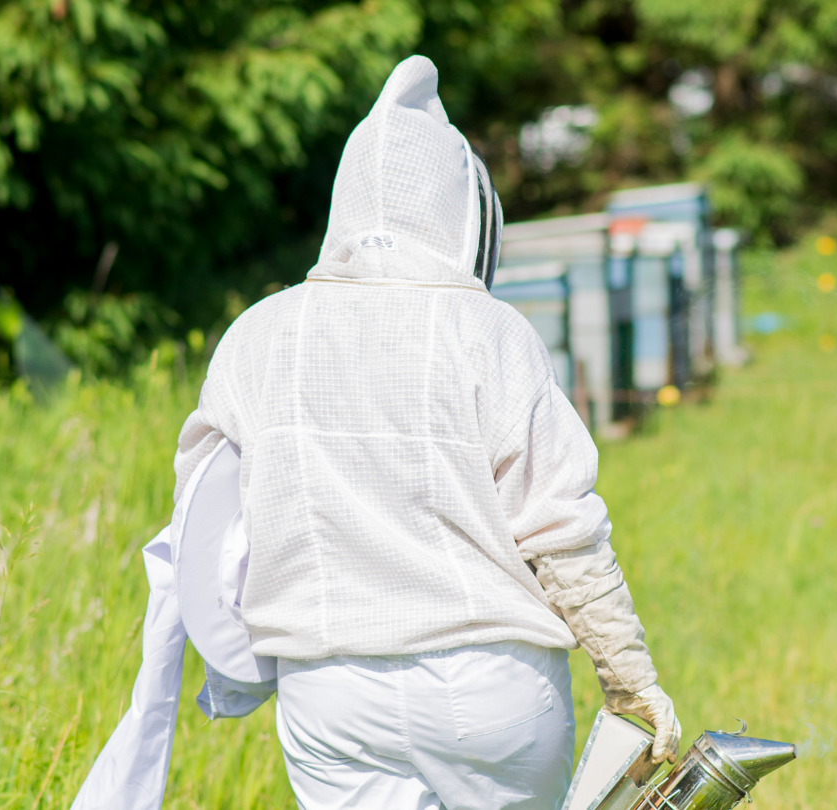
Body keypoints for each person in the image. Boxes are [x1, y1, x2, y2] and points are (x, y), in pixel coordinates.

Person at [171, 55, 679, 809]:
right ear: (456, 210)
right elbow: (562, 531)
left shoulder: (255, 335)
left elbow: (206, 532)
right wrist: (630, 679)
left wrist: (234, 668)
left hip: (327, 689)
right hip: (489, 694)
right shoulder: (489, 333)